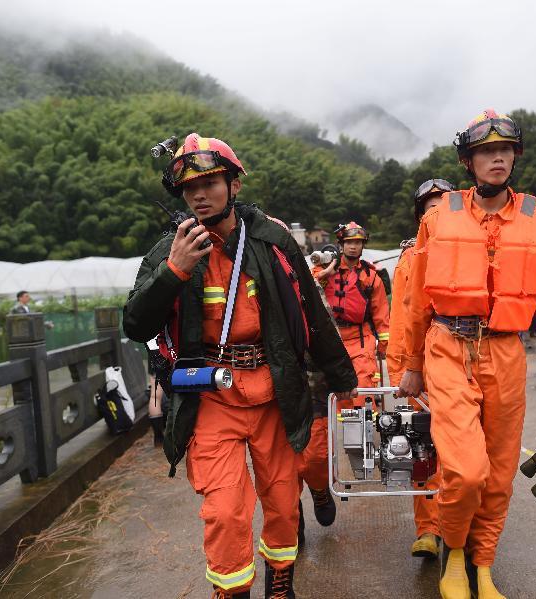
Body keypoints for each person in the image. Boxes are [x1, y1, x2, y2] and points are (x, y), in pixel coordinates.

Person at [123, 133, 357, 599]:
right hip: (211, 397)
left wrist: (342, 378)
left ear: (232, 183)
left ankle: (281, 584)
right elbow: (135, 323)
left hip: (273, 391)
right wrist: (174, 271)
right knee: (226, 511)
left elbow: (311, 311)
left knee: (283, 502)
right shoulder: (172, 249)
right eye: (189, 188)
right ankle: (232, 593)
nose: (199, 194)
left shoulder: (271, 240)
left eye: (210, 182)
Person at [398, 110, 536, 599]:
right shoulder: (439, 218)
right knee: (465, 468)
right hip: (448, 347)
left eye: (505, 150)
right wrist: (411, 365)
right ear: (468, 161)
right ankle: (453, 550)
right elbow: (416, 304)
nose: (497, 158)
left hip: (506, 352)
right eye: (485, 152)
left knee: (497, 475)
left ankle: (483, 562)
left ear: (515, 157)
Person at [386, 178, 455, 560]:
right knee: (421, 448)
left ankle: (455, 524)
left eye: (441, 203)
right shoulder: (409, 257)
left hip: (458, 361)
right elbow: (402, 316)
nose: (434, 211)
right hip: (418, 366)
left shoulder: (471, 250)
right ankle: (427, 528)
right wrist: (400, 367)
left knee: (460, 452)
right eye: (427, 206)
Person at [314, 221, 390, 398]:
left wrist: (385, 347)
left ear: (363, 245)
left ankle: (365, 425)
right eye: (349, 242)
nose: (353, 247)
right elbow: (305, 289)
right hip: (331, 339)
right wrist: (323, 275)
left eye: (357, 243)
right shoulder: (325, 269)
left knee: (362, 391)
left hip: (361, 339)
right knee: (335, 396)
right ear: (341, 245)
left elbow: (381, 315)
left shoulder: (370, 277)